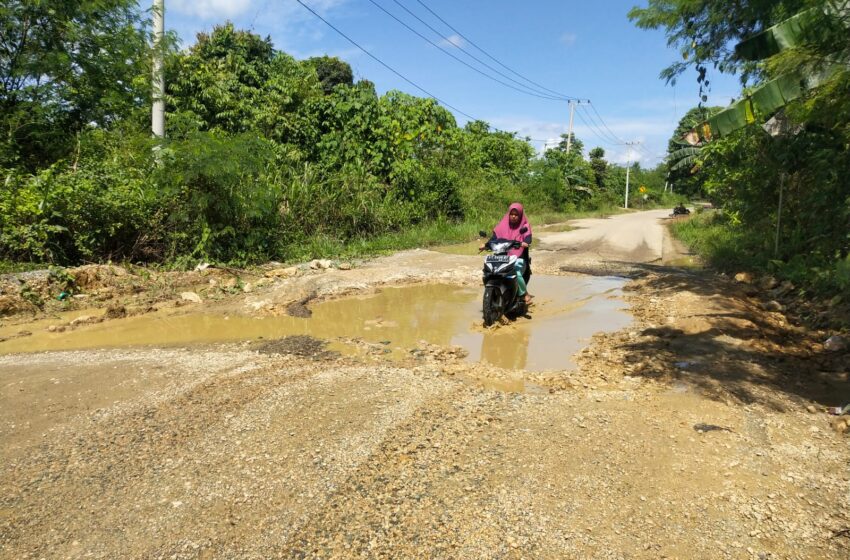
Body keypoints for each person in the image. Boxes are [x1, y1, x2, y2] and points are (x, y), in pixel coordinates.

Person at [479, 202, 533, 304]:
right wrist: (485, 246)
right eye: (511, 214)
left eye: (516, 215)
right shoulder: (502, 225)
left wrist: (525, 242)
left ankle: (524, 294)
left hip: (518, 257)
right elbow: (494, 239)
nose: (513, 216)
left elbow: (528, 237)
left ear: (520, 215)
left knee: (516, 271)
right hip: (502, 257)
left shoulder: (525, 226)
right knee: (489, 270)